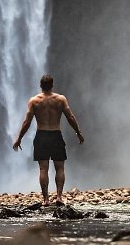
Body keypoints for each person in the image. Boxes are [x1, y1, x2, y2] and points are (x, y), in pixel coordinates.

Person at [13, 75, 84, 206]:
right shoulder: (60, 99)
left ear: (40, 85)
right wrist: (78, 133)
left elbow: (26, 122)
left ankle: (45, 200)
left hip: (41, 136)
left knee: (43, 169)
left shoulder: (34, 101)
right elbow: (70, 117)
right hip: (56, 135)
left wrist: (19, 138)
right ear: (52, 84)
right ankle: (59, 197)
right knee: (60, 168)